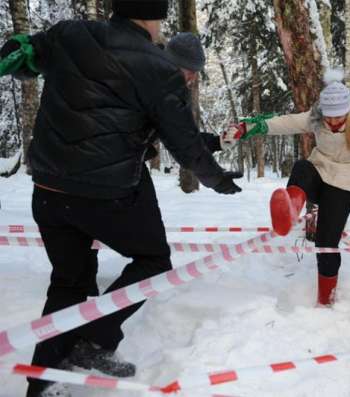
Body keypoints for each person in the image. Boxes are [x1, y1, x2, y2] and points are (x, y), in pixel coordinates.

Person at [0, 1, 242, 395]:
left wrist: (18, 49)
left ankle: (41, 383)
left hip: (48, 189)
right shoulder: (159, 68)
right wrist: (217, 181)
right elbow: (183, 144)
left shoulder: (69, 35)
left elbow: (23, 55)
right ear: (153, 16)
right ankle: (94, 340)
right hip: (108, 196)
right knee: (153, 260)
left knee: (69, 281)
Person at [224, 70, 350, 306]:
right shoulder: (315, 119)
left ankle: (326, 299)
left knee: (326, 245)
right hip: (320, 171)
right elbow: (285, 122)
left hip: (344, 183)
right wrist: (247, 128)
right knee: (301, 167)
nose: (334, 122)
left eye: (340, 118)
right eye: (330, 118)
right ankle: (289, 211)